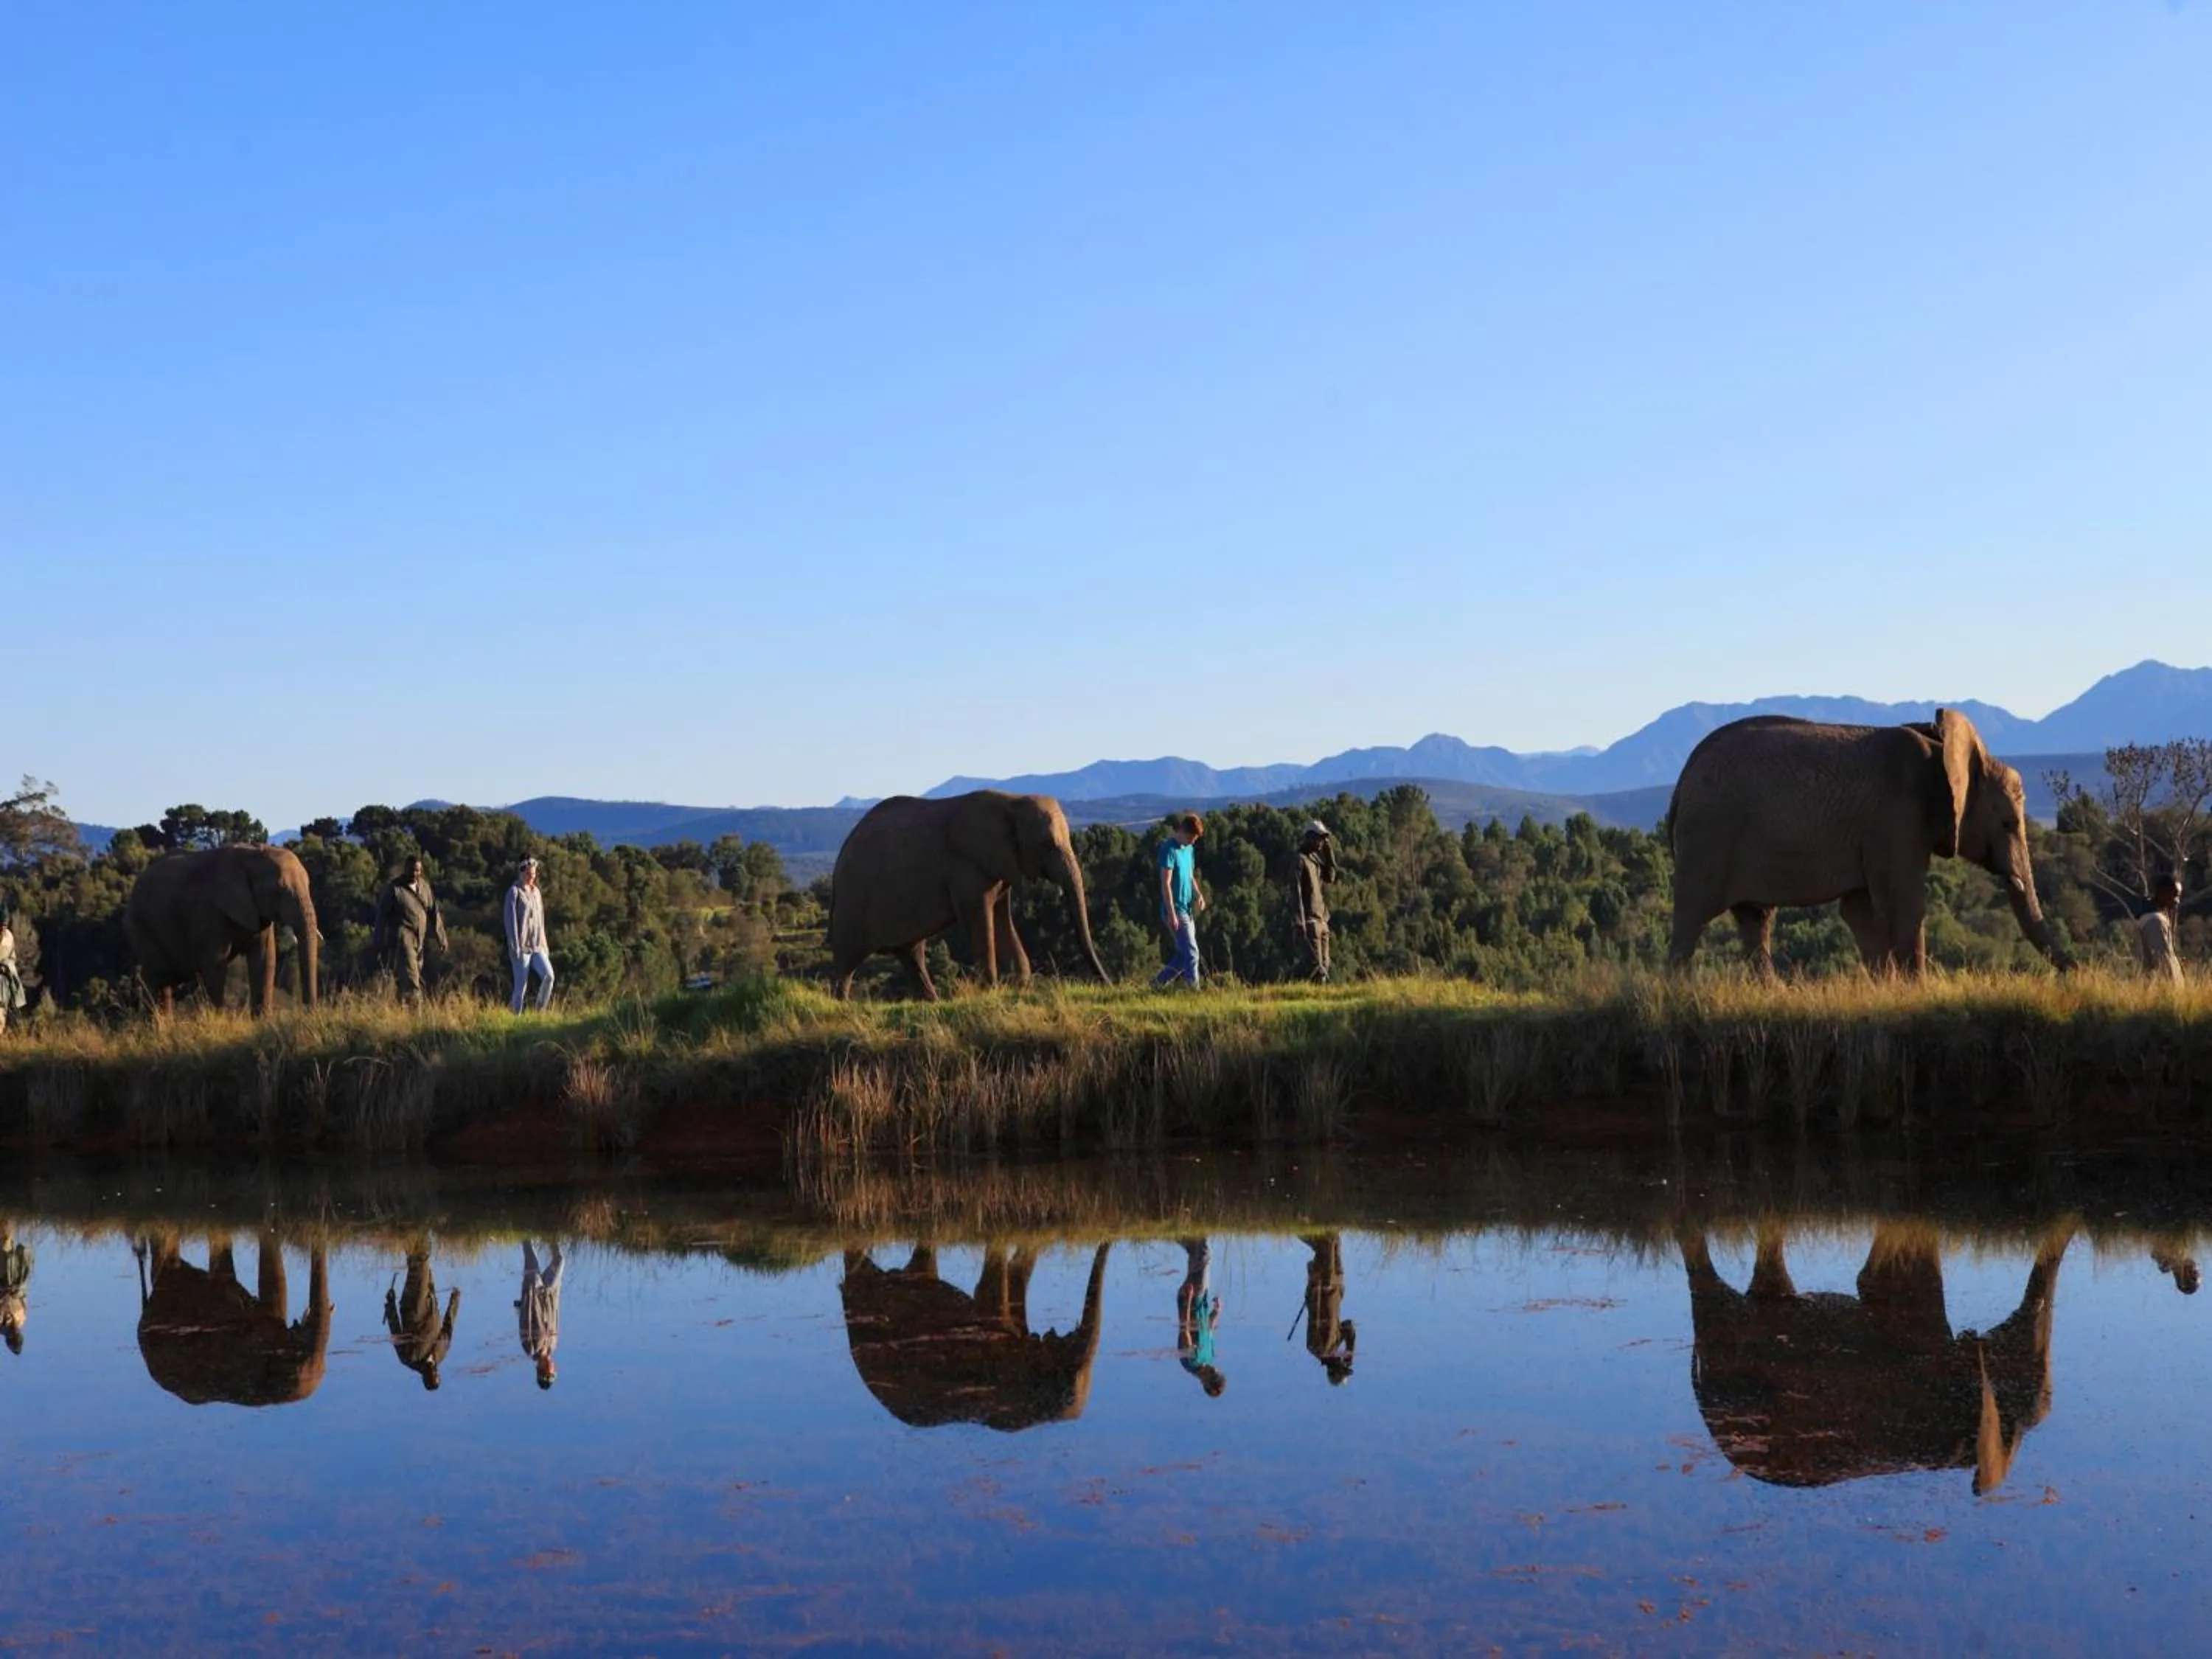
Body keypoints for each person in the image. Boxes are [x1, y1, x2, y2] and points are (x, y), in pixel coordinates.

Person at [384, 1242, 462, 1391]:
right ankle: (408, 1232)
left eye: (431, 1376)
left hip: (413, 1303)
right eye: (436, 1374)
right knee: (420, 1261)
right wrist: (455, 1300)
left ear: (423, 1379)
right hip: (430, 1296)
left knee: (420, 1261)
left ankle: (411, 1230)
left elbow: (396, 1332)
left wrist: (390, 1305)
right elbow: (448, 1326)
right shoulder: (441, 1354)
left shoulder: (409, 1359)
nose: (433, 1371)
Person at [373, 856, 449, 1006]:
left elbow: (434, 913)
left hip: (420, 940)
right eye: (413, 870)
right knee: (412, 979)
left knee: (408, 979)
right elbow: (381, 917)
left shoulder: (424, 887)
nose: (415, 873)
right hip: (403, 939)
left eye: (418, 870)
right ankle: (417, 1015)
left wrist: (442, 939)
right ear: (406, 870)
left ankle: (402, 1014)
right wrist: (378, 943)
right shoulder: (395, 889)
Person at [1152, 813, 1208, 990]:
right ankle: (1194, 991)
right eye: (1191, 837)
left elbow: (1190, 876)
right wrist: (1172, 913)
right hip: (1175, 909)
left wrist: (1198, 895)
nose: (1193, 842)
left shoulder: (1189, 850)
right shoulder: (1169, 849)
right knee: (1193, 953)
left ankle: (1157, 985)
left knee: (1183, 956)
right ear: (1183, 831)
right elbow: (1166, 883)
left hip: (1187, 908)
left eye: (1195, 839)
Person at [1300, 1234, 1357, 1385]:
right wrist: (1350, 1350)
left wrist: (1315, 1282)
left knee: (1327, 1244)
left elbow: (1317, 1311)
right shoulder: (1334, 1347)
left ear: (1335, 1368)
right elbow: (1349, 1326)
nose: (1344, 1363)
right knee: (1335, 1239)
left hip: (1325, 1285)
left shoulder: (1319, 1348)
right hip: (1336, 1287)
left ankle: (1295, 1221)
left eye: (1343, 1367)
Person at [503, 858, 555, 1014]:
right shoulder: (514, 892)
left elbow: (541, 921)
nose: (532, 877)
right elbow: (510, 922)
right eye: (529, 874)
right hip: (522, 947)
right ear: (522, 872)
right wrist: (515, 947)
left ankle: (540, 1011)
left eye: (534, 874)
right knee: (521, 986)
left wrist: (544, 946)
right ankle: (514, 1017)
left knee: (549, 976)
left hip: (538, 946)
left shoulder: (537, 892)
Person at [1287, 821, 1337, 984]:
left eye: (1323, 839)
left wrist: (1329, 853)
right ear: (1308, 838)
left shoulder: (1315, 860)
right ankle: (1289, 982)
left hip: (1322, 919)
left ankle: (1317, 995)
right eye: (1319, 838)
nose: (1321, 842)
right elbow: (1296, 892)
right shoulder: (1299, 860)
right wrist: (1299, 921)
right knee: (1314, 964)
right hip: (1309, 921)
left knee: (1325, 965)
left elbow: (1330, 877)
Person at [1175, 1237, 1225, 1397]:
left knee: (1204, 1255)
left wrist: (1188, 1299)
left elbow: (1185, 1328)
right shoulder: (1209, 1357)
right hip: (1202, 1301)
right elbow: (1208, 1330)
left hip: (1191, 1299)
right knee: (1194, 1253)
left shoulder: (1191, 1361)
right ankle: (1171, 1227)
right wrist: (1216, 1313)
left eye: (1212, 1375)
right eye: (1217, 1372)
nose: (1214, 1369)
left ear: (1204, 1382)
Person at [516, 1239, 564, 1389]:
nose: (553, 1370)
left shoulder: (530, 1347)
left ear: (541, 1371)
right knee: (560, 1260)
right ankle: (551, 1232)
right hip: (549, 1292)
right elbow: (556, 1314)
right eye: (553, 1374)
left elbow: (524, 1317)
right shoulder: (553, 1345)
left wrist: (526, 1297)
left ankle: (522, 1222)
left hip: (533, 1290)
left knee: (529, 1247)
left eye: (549, 1374)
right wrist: (555, 1293)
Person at [2138, 872, 2185, 986]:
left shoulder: (2157, 918)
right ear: (2163, 893)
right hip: (2162, 992)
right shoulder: (2154, 921)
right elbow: (2162, 959)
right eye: (2174, 895)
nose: (2177, 901)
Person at [0, 1223, 30, 1354]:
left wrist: (4, 1296)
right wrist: (17, 1291)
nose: (15, 1332)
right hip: (12, 1277)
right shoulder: (21, 1318)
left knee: (4, 1245)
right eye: (18, 1335)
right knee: (7, 1241)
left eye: (13, 1337)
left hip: (1, 1279)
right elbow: (23, 1296)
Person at [0, 905, 25, 1037]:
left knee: (7, 1004)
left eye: (5, 925)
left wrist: (6, 965)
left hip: (4, 977)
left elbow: (12, 957)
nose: (3, 928)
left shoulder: (9, 937)